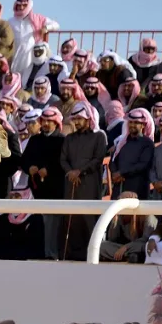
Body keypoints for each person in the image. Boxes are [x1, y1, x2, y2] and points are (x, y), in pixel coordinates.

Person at [60, 101, 107, 261]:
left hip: (89, 184)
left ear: (89, 118)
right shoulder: (69, 139)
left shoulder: (99, 136)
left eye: (80, 118)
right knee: (72, 220)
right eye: (75, 119)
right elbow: (63, 159)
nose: (77, 122)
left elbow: (98, 159)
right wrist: (70, 172)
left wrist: (80, 171)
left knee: (89, 219)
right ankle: (71, 255)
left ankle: (92, 255)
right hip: (71, 183)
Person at [22, 107, 65, 258]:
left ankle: (51, 255)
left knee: (52, 225)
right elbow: (24, 160)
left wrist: (49, 170)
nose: (46, 124)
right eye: (44, 121)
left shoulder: (61, 140)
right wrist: (30, 168)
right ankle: (40, 253)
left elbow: (63, 163)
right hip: (36, 191)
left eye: (49, 121)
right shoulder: (35, 140)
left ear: (56, 122)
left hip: (54, 190)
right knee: (38, 224)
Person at [8, 0, 59, 83]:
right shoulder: (11, 21)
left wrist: (46, 28)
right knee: (14, 75)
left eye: (24, 5)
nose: (21, 8)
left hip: (30, 53)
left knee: (28, 77)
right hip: (16, 53)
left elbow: (56, 25)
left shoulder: (37, 19)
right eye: (19, 5)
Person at [99, 191, 157, 263]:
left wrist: (126, 247)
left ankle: (129, 256)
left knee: (143, 246)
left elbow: (145, 239)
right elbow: (112, 238)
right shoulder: (121, 216)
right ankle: (129, 256)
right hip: (126, 248)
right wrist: (114, 220)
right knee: (102, 245)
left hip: (141, 246)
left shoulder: (147, 216)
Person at [110, 108, 155, 199]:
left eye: (136, 123)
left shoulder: (147, 143)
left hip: (137, 186)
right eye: (130, 122)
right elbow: (113, 160)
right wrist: (115, 173)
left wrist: (121, 173)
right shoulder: (122, 142)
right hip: (119, 184)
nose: (132, 125)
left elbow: (143, 164)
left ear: (143, 125)